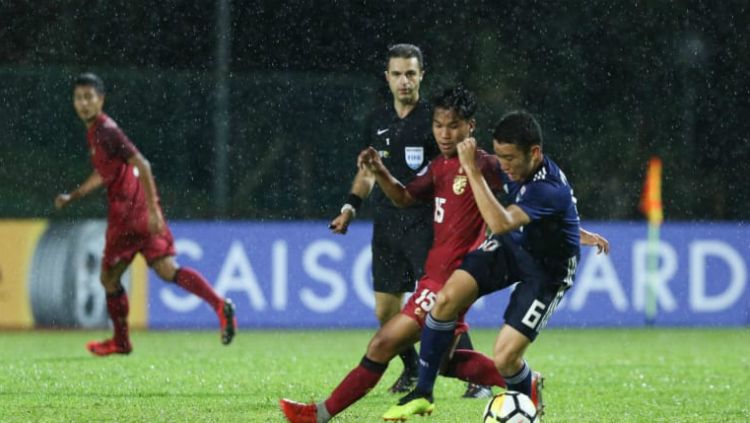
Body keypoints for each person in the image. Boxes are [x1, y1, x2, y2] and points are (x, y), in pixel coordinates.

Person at [280, 86, 509, 423]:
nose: (445, 134)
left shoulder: (486, 164)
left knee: (381, 344)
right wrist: (379, 170)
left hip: (451, 279)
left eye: (454, 125)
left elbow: (523, 196)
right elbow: (403, 198)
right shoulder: (439, 166)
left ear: (471, 126)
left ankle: (318, 415)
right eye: (438, 125)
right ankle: (524, 383)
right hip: (435, 276)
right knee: (445, 362)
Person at [382, 111, 610, 421]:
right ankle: (423, 391)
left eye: (510, 158)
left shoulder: (548, 188)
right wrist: (575, 231)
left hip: (547, 271)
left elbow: (500, 222)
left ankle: (529, 388)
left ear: (535, 153)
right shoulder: (515, 168)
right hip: (516, 246)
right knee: (446, 298)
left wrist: (472, 172)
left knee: (505, 359)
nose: (503, 165)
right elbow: (545, 218)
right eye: (499, 156)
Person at [329, 44, 490, 398]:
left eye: (411, 74)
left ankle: (476, 377)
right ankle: (413, 367)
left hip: (428, 224)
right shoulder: (377, 120)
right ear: (387, 78)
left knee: (443, 301)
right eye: (398, 74)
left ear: (421, 76)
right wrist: (350, 207)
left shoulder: (437, 120)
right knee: (386, 309)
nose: (404, 81)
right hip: (387, 224)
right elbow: (368, 173)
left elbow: (454, 169)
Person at [55, 73, 237, 356]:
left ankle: (121, 341)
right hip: (140, 211)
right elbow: (104, 173)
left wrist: (153, 209)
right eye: (79, 98)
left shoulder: (107, 130)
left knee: (109, 280)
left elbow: (143, 164)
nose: (83, 103)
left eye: (89, 97)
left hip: (128, 215)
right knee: (168, 270)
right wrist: (74, 196)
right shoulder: (97, 133)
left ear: (101, 100)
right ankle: (219, 305)